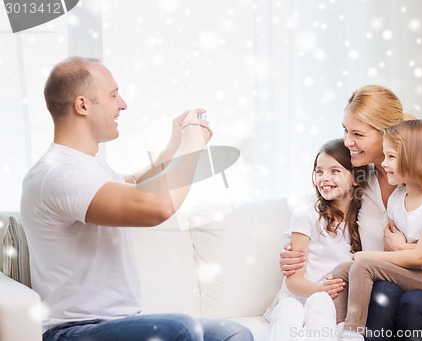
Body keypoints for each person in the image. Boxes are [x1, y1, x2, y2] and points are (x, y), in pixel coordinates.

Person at [21, 57, 253, 341]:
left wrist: (175, 143)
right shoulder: (58, 173)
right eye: (113, 94)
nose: (123, 104)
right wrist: (192, 147)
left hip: (120, 323)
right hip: (73, 331)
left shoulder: (86, 167)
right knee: (181, 330)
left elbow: (135, 184)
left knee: (234, 334)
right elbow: (155, 207)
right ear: (82, 105)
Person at [279, 85, 422, 341]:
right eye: (345, 130)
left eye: (357, 133)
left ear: (387, 133)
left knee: (414, 301)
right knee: (383, 294)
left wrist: (408, 250)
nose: (347, 142)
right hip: (383, 296)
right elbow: (321, 213)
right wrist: (296, 256)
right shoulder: (360, 179)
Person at [332, 119, 422, 341]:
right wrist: (376, 256)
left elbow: (421, 256)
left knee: (362, 264)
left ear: (415, 159)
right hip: (411, 275)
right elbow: (392, 253)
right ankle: (338, 326)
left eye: (391, 157)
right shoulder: (397, 198)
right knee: (343, 270)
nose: (383, 163)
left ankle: (352, 333)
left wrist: (367, 256)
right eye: (384, 156)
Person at [267, 139, 366, 341]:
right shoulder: (306, 215)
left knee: (322, 306)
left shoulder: (364, 220)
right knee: (290, 309)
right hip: (299, 299)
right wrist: (321, 290)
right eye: (319, 171)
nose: (324, 178)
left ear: (356, 178)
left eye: (334, 171)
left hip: (330, 306)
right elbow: (293, 281)